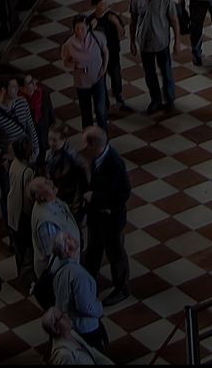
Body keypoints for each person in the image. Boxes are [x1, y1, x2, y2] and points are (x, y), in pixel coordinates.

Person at [82, 126, 131, 307]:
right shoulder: (96, 159)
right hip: (97, 218)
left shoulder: (114, 163)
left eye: (86, 143)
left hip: (111, 221)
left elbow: (122, 194)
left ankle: (122, 289)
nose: (84, 147)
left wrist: (95, 197)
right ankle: (87, 284)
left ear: (94, 144)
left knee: (115, 254)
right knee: (93, 251)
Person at [129, 0, 180, 113]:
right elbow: (133, 21)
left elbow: (174, 20)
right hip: (144, 44)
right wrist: (132, 42)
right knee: (150, 74)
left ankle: (170, 100)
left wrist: (177, 41)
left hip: (161, 42)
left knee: (166, 73)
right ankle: (155, 100)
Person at [50, 231, 106, 352]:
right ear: (65, 251)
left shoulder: (58, 267)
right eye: (67, 239)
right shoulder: (78, 275)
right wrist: (99, 308)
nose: (72, 237)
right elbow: (85, 306)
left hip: (73, 325)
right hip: (85, 328)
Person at [60, 15, 108, 132]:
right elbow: (66, 62)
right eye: (77, 29)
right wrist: (76, 65)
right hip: (82, 83)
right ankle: (89, 137)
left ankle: (103, 136)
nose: (80, 31)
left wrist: (104, 68)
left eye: (82, 28)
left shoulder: (97, 37)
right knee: (86, 112)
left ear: (87, 27)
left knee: (100, 110)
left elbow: (105, 51)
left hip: (97, 78)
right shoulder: (69, 44)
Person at [29, 176, 81, 280]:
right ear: (39, 196)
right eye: (45, 184)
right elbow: (52, 254)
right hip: (60, 273)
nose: (50, 182)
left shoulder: (52, 201)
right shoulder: (46, 221)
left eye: (47, 180)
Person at [45, 123, 89, 230]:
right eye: (49, 139)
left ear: (64, 140)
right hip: (57, 203)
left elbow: (79, 194)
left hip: (68, 207)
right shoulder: (50, 154)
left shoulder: (73, 162)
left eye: (54, 140)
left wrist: (74, 218)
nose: (50, 143)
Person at [88, 0, 126, 111]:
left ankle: (118, 95)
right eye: (102, 4)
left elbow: (122, 33)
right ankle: (104, 105)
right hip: (98, 57)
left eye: (105, 3)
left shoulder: (111, 16)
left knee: (115, 76)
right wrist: (91, 28)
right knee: (100, 80)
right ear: (95, 6)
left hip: (113, 53)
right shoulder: (91, 20)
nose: (105, 5)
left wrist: (117, 23)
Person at [7, 136, 36, 286]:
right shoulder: (28, 172)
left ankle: (21, 274)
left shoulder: (14, 163)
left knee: (18, 247)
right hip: (22, 215)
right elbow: (27, 200)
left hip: (12, 209)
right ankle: (27, 279)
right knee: (28, 249)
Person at [41, 307, 113, 365]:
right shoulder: (64, 355)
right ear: (55, 329)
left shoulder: (72, 333)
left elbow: (94, 353)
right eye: (61, 316)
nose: (66, 315)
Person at [20, 73, 55, 164]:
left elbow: (50, 114)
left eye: (33, 80)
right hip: (30, 136)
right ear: (21, 88)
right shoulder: (19, 102)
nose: (35, 82)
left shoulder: (43, 94)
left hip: (43, 132)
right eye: (30, 82)